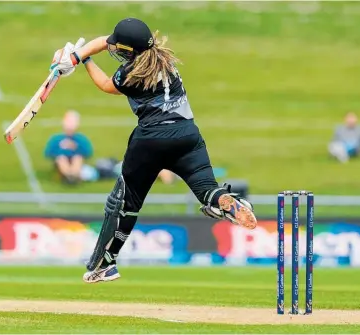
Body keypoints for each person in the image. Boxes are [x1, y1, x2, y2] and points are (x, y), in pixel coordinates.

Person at [50, 18, 257, 283]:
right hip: (188, 135)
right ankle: (226, 202)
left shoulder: (130, 75)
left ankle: (104, 263)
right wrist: (76, 55)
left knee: (124, 203)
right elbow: (107, 41)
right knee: (206, 189)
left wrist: (82, 61)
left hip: (151, 140)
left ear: (130, 50)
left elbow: (105, 84)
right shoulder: (163, 60)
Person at [44, 110, 93, 184]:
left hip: (75, 160)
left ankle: (73, 176)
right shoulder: (56, 138)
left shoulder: (81, 139)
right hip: (60, 161)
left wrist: (76, 148)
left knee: (77, 158)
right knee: (62, 159)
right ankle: (68, 176)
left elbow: (88, 152)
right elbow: (48, 152)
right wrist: (60, 153)